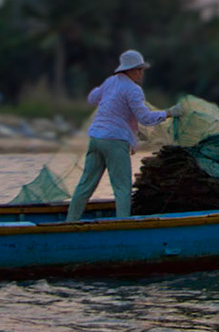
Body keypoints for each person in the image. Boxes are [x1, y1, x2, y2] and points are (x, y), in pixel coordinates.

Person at [66, 50, 171, 222]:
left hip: (96, 139)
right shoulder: (134, 90)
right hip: (115, 141)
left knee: (85, 185)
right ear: (128, 70)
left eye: (142, 69)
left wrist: (104, 93)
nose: (141, 73)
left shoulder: (110, 82)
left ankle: (70, 222)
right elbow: (145, 118)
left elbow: (92, 98)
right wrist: (168, 113)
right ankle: (122, 225)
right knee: (122, 188)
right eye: (138, 69)